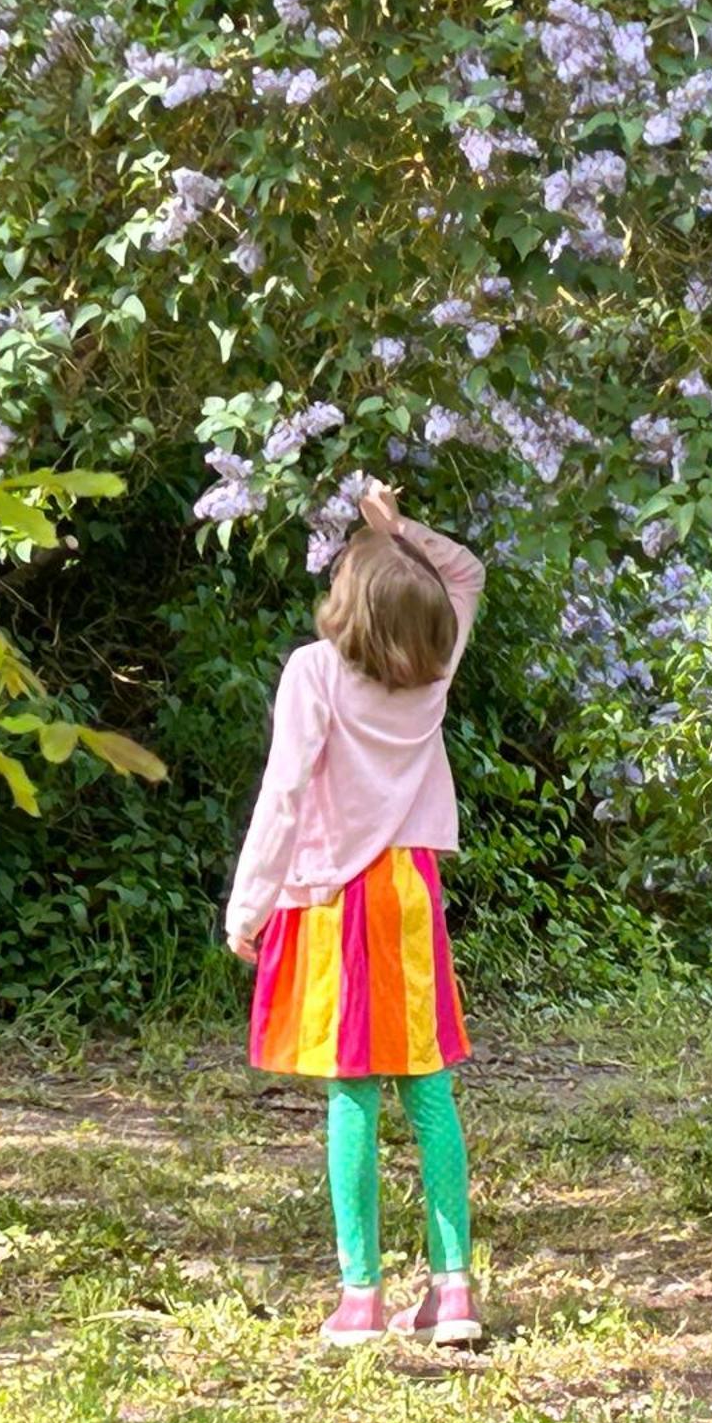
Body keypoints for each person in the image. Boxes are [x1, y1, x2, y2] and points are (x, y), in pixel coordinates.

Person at [225, 478, 486, 1348]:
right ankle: (453, 1295)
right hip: (408, 891)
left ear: (347, 605)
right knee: (429, 1085)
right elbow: (468, 573)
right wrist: (400, 528)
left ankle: (360, 1298)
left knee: (352, 1090)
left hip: (334, 895)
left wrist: (250, 902)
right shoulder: (433, 670)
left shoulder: (314, 671)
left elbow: (285, 791)